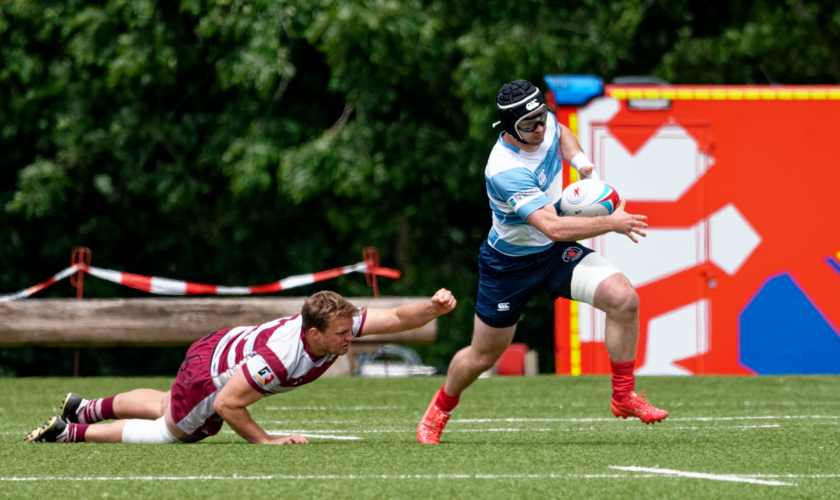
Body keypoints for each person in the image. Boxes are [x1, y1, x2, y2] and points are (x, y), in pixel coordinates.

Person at [416, 80, 668, 444]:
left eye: (541, 118)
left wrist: (581, 163)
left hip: (552, 256)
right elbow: (551, 226)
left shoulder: (541, 121)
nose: (539, 128)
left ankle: (623, 395)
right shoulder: (504, 170)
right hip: (510, 266)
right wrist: (612, 222)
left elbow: (561, 131)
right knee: (482, 356)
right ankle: (440, 408)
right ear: (508, 128)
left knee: (624, 299)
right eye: (528, 125)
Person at [26, 289, 456, 445]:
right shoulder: (283, 358)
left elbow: (398, 319)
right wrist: (266, 441)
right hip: (210, 379)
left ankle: (84, 407)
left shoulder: (329, 326)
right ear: (314, 334)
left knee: (164, 403)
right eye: (342, 334)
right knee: (170, 432)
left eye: (350, 330)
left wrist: (433, 309)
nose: (351, 339)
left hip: (216, 347)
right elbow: (231, 404)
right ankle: (70, 433)